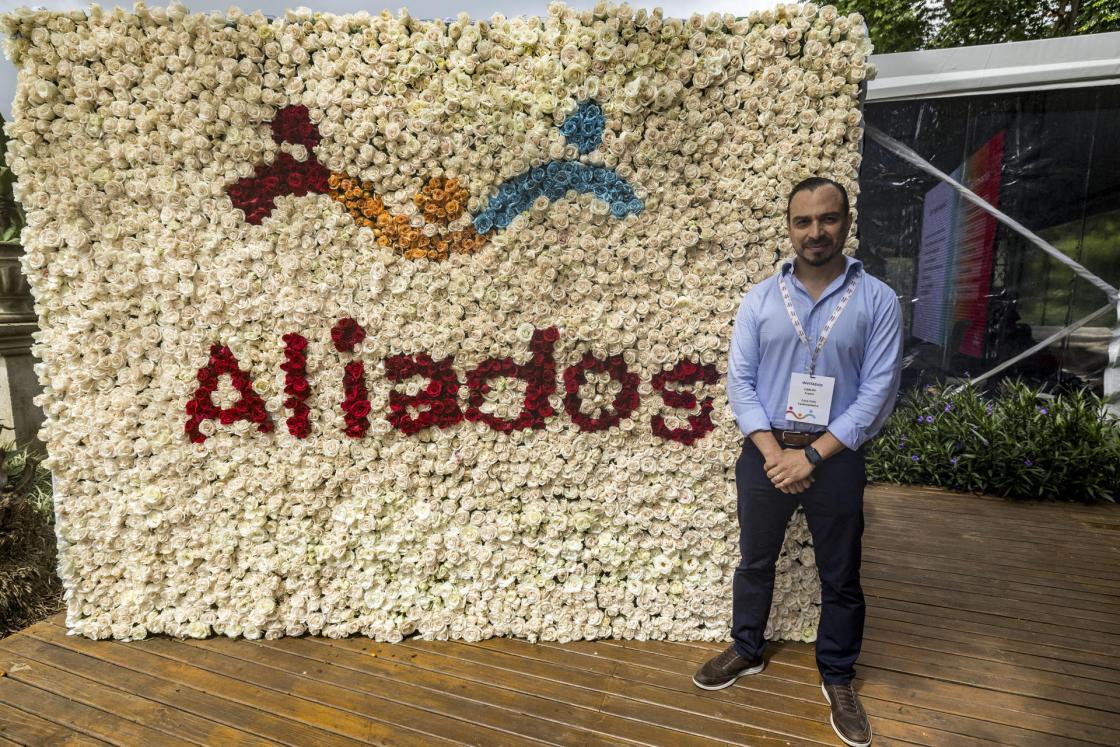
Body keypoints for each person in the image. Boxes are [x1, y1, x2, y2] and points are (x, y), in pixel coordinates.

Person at [692, 177, 903, 747]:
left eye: (827, 219)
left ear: (846, 223)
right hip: (764, 452)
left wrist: (809, 455)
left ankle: (838, 675)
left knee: (842, 576)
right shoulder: (760, 299)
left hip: (834, 456)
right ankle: (746, 647)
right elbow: (739, 383)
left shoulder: (878, 300)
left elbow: (877, 390)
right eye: (803, 221)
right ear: (789, 227)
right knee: (754, 560)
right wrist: (774, 454)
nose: (816, 232)